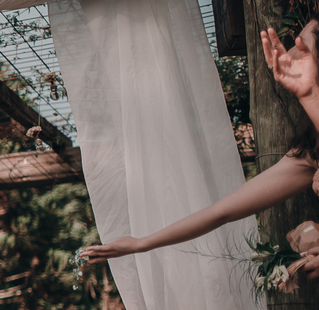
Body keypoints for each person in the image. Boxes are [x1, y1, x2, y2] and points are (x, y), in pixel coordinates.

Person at [82, 15, 319, 276]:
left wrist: (309, 94)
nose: (292, 50)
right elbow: (222, 212)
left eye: (304, 44)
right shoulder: (311, 150)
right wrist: (142, 243)